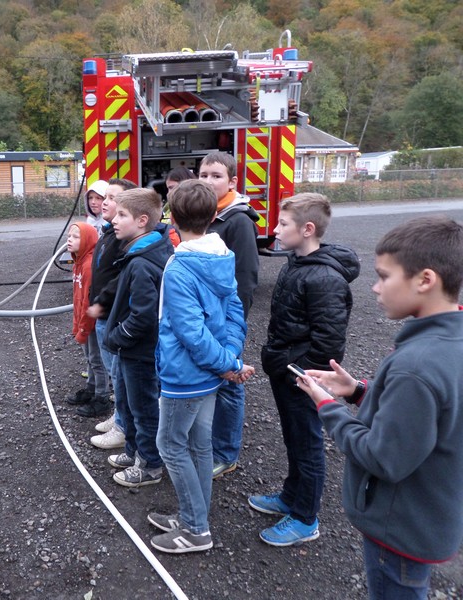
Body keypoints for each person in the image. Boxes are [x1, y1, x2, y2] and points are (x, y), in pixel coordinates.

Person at [296, 215, 463, 599]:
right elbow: (433, 414)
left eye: (384, 276)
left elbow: (383, 458)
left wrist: (328, 406)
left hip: (401, 526)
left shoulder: (416, 366)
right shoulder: (449, 343)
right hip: (433, 513)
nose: (374, 287)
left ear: (425, 280)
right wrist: (358, 391)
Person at [149, 180, 254, 553]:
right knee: (199, 445)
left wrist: (228, 363)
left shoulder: (180, 268)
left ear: (172, 219)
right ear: (213, 216)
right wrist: (229, 358)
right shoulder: (222, 255)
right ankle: (192, 515)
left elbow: (191, 334)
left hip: (185, 376)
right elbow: (235, 309)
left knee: (170, 444)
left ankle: (195, 530)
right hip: (210, 373)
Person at [249, 192, 359, 546]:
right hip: (287, 370)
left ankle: (305, 518)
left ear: (307, 229)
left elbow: (329, 342)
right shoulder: (297, 263)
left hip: (302, 378)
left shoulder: (324, 278)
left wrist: (302, 375)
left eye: (283, 224)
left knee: (307, 444)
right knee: (294, 438)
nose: (275, 229)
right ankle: (291, 496)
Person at [103, 188, 174, 487]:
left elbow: (143, 316)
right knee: (130, 405)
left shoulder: (143, 262)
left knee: (144, 409)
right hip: (132, 350)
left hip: (140, 352)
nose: (114, 220)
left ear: (142, 221)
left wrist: (117, 337)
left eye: (122, 215)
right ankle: (133, 452)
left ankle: (149, 465)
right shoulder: (138, 253)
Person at [197, 151, 260, 479]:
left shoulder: (238, 221)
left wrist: (234, 328)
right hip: (204, 318)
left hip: (224, 322)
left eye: (216, 176)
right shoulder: (207, 215)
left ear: (232, 182)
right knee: (212, 378)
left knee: (229, 384)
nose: (208, 181)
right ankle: (208, 442)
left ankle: (225, 453)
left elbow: (245, 279)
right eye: (203, 175)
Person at [86, 178, 137, 448]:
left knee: (119, 374)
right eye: (104, 197)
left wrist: (102, 302)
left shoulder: (123, 239)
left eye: (111, 198)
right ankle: (119, 417)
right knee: (112, 371)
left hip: (114, 316)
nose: (104, 202)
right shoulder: (108, 232)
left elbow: (120, 280)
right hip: (104, 315)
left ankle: (123, 427)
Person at [65, 222, 110, 417]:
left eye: (76, 237)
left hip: (90, 323)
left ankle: (102, 397)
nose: (69, 240)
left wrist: (83, 328)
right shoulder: (78, 263)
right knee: (90, 359)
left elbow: (87, 302)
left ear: (87, 241)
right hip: (83, 321)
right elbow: (77, 299)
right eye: (69, 236)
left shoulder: (88, 266)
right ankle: (91, 389)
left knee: (97, 360)